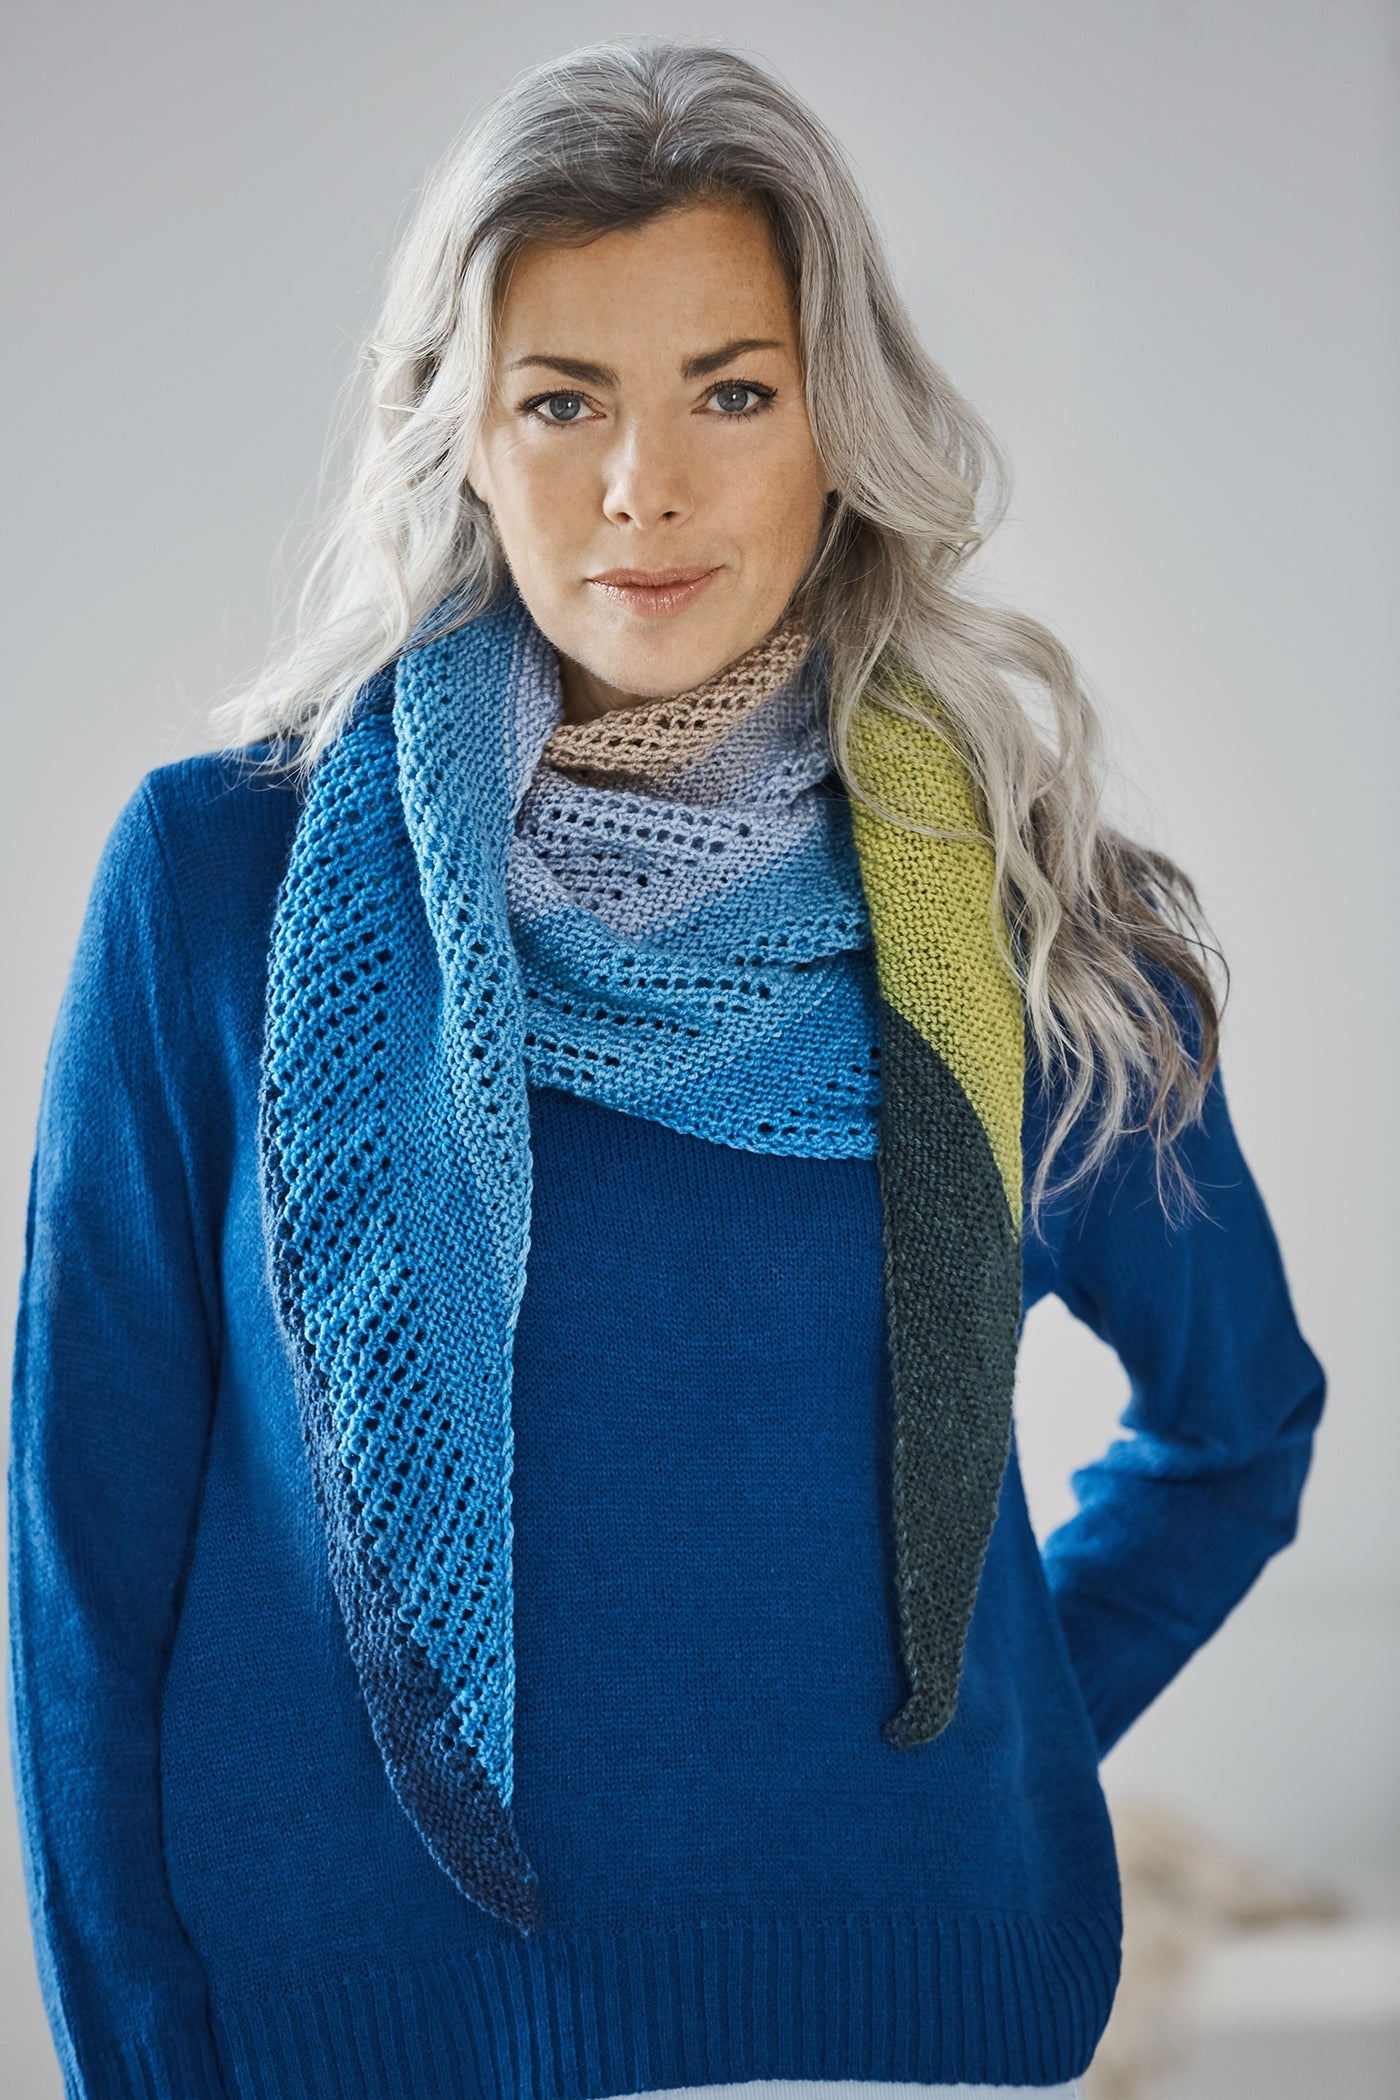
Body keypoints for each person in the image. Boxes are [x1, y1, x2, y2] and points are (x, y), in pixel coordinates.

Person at [7, 37, 1325, 2100]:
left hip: (895, 2051)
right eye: (562, 400)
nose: (644, 486)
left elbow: (1235, 1430)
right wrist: (139, 2062)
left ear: (838, 426)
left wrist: (986, 1766)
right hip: (349, 2054)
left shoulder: (1034, 925)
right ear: (463, 437)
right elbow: (83, 1540)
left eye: (732, 391)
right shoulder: (220, 883)